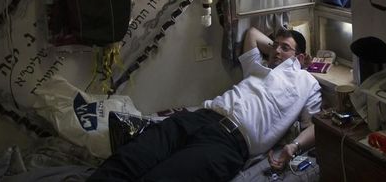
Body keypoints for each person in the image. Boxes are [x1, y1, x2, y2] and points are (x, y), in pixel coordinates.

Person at [87, 26, 322, 181]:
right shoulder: (258, 67)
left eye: (285, 47)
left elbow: (316, 126)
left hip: (228, 143)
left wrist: (294, 147)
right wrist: (276, 49)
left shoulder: (307, 83)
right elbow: (252, 33)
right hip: (198, 117)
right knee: (129, 158)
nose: (275, 51)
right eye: (274, 45)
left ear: (300, 57)